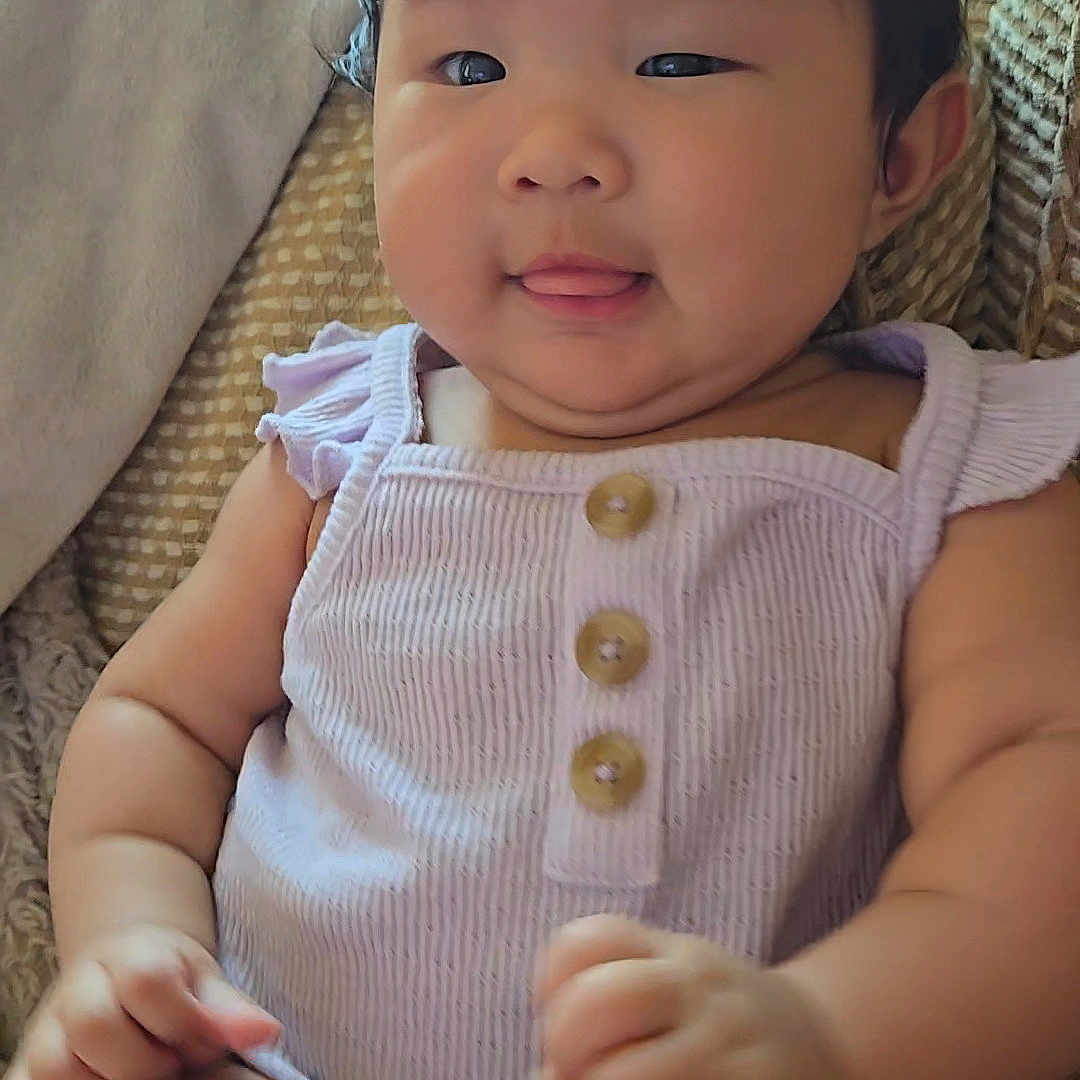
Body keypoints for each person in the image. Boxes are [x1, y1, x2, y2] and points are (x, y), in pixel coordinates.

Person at [8, 0, 1080, 1077]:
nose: (554, 156)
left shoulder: (954, 476)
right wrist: (127, 952)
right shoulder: (346, 448)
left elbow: (1037, 825)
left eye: (678, 61)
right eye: (470, 66)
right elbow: (160, 720)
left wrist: (833, 1032)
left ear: (897, 158)